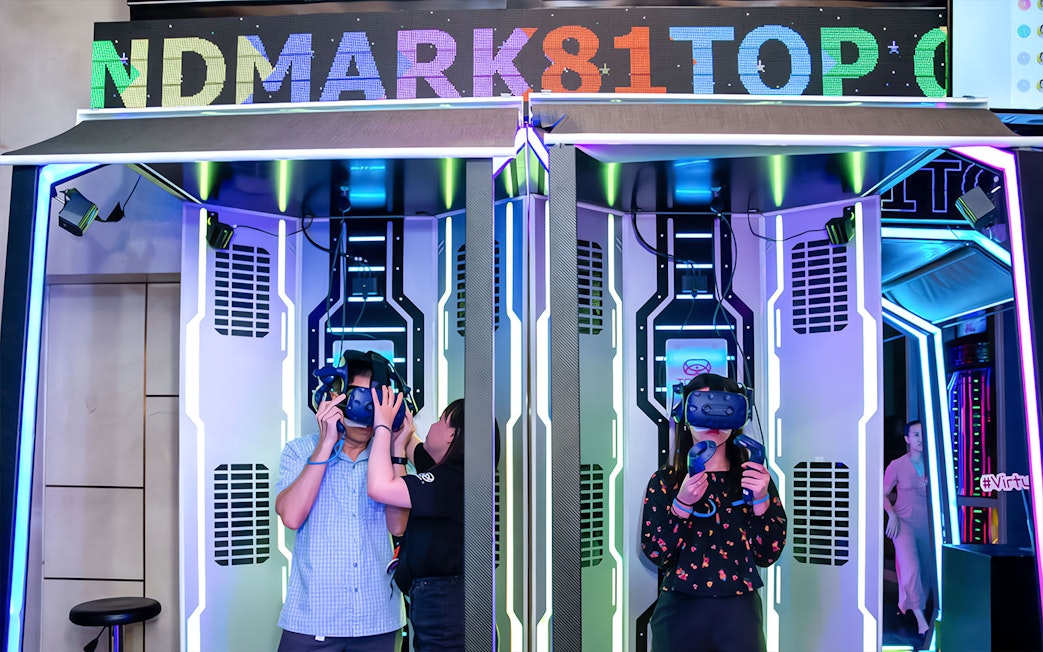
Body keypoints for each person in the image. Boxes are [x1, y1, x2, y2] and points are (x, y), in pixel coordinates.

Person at [640, 372, 787, 652]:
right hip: (679, 612)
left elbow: (768, 555)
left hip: (739, 613)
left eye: (724, 407)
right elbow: (657, 554)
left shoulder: (755, 479)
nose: (712, 419)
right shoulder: (666, 481)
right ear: (684, 413)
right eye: (703, 406)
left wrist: (761, 502)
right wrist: (681, 505)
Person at [274, 352, 407, 652]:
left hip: (377, 620)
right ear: (337, 396)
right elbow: (292, 516)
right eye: (359, 399)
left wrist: (395, 448)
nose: (365, 412)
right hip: (312, 620)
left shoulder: (388, 459)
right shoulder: (300, 451)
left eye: (376, 403)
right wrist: (325, 444)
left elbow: (398, 525)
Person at [367, 390, 495, 652]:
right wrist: (400, 436)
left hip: (445, 608)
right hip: (445, 602)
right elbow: (414, 447)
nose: (433, 425)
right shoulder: (455, 475)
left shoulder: (447, 481)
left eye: (439, 420)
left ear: (452, 434)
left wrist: (381, 426)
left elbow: (380, 487)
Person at [884, 420, 936, 636]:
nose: (920, 439)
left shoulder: (935, 463)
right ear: (907, 439)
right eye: (915, 435)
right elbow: (883, 493)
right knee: (911, 569)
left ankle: (931, 611)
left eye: (922, 434)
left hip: (929, 525)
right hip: (904, 523)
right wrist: (892, 515)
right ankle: (921, 619)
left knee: (929, 569)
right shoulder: (896, 465)